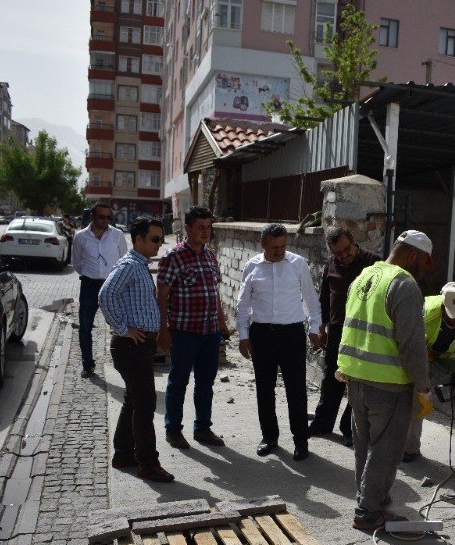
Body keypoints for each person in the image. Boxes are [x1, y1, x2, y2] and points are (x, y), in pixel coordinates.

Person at [337, 229, 434, 530]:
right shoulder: (404, 284)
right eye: (425, 263)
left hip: (356, 379)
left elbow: (350, 324)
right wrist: (424, 385)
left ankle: (370, 496)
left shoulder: (364, 276)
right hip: (388, 385)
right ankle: (368, 512)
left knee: (365, 444)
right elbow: (411, 344)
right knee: (386, 450)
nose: (424, 271)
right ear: (414, 255)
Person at [236, 223, 322, 461]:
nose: (279, 251)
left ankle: (300, 441)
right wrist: (243, 335)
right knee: (265, 389)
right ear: (263, 244)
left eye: (283, 245)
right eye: (274, 247)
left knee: (296, 390)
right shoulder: (251, 266)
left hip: (292, 334)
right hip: (261, 334)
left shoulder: (297, 264)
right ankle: (269, 437)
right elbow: (243, 305)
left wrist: (315, 328)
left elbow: (311, 300)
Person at [98, 217, 173, 483]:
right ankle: (148, 464)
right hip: (131, 346)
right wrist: (123, 327)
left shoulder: (140, 266)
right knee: (145, 404)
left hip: (140, 345)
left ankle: (123, 455)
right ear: (137, 239)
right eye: (154, 239)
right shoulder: (130, 265)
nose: (159, 244)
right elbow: (106, 295)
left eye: (161, 238)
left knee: (134, 399)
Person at [156, 207, 230, 450]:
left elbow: (215, 294)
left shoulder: (210, 256)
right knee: (178, 382)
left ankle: (202, 428)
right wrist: (163, 329)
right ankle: (173, 429)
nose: (205, 231)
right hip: (184, 332)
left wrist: (221, 322)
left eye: (208, 227)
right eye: (200, 227)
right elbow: (162, 295)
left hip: (209, 333)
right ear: (187, 228)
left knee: (205, 383)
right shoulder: (173, 257)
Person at [403, 282, 455, 480]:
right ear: (443, 308)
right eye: (454, 314)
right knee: (417, 400)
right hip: (426, 353)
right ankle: (410, 448)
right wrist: (425, 381)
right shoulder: (425, 313)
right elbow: (415, 347)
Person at [308, 227, 381, 446]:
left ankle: (349, 427)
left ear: (353, 241)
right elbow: (324, 298)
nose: (344, 255)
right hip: (338, 331)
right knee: (332, 377)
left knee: (357, 382)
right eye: (338, 253)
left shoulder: (374, 263)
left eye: (346, 249)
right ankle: (323, 422)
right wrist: (320, 327)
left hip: (363, 332)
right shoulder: (331, 264)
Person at [72, 202, 128, 378]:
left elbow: (124, 260)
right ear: (92, 217)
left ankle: (124, 364)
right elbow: (77, 263)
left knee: (121, 325)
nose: (105, 220)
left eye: (108, 217)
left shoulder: (117, 235)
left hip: (112, 286)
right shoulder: (80, 237)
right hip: (88, 286)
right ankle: (87, 365)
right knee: (85, 327)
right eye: (101, 217)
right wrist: (91, 275)